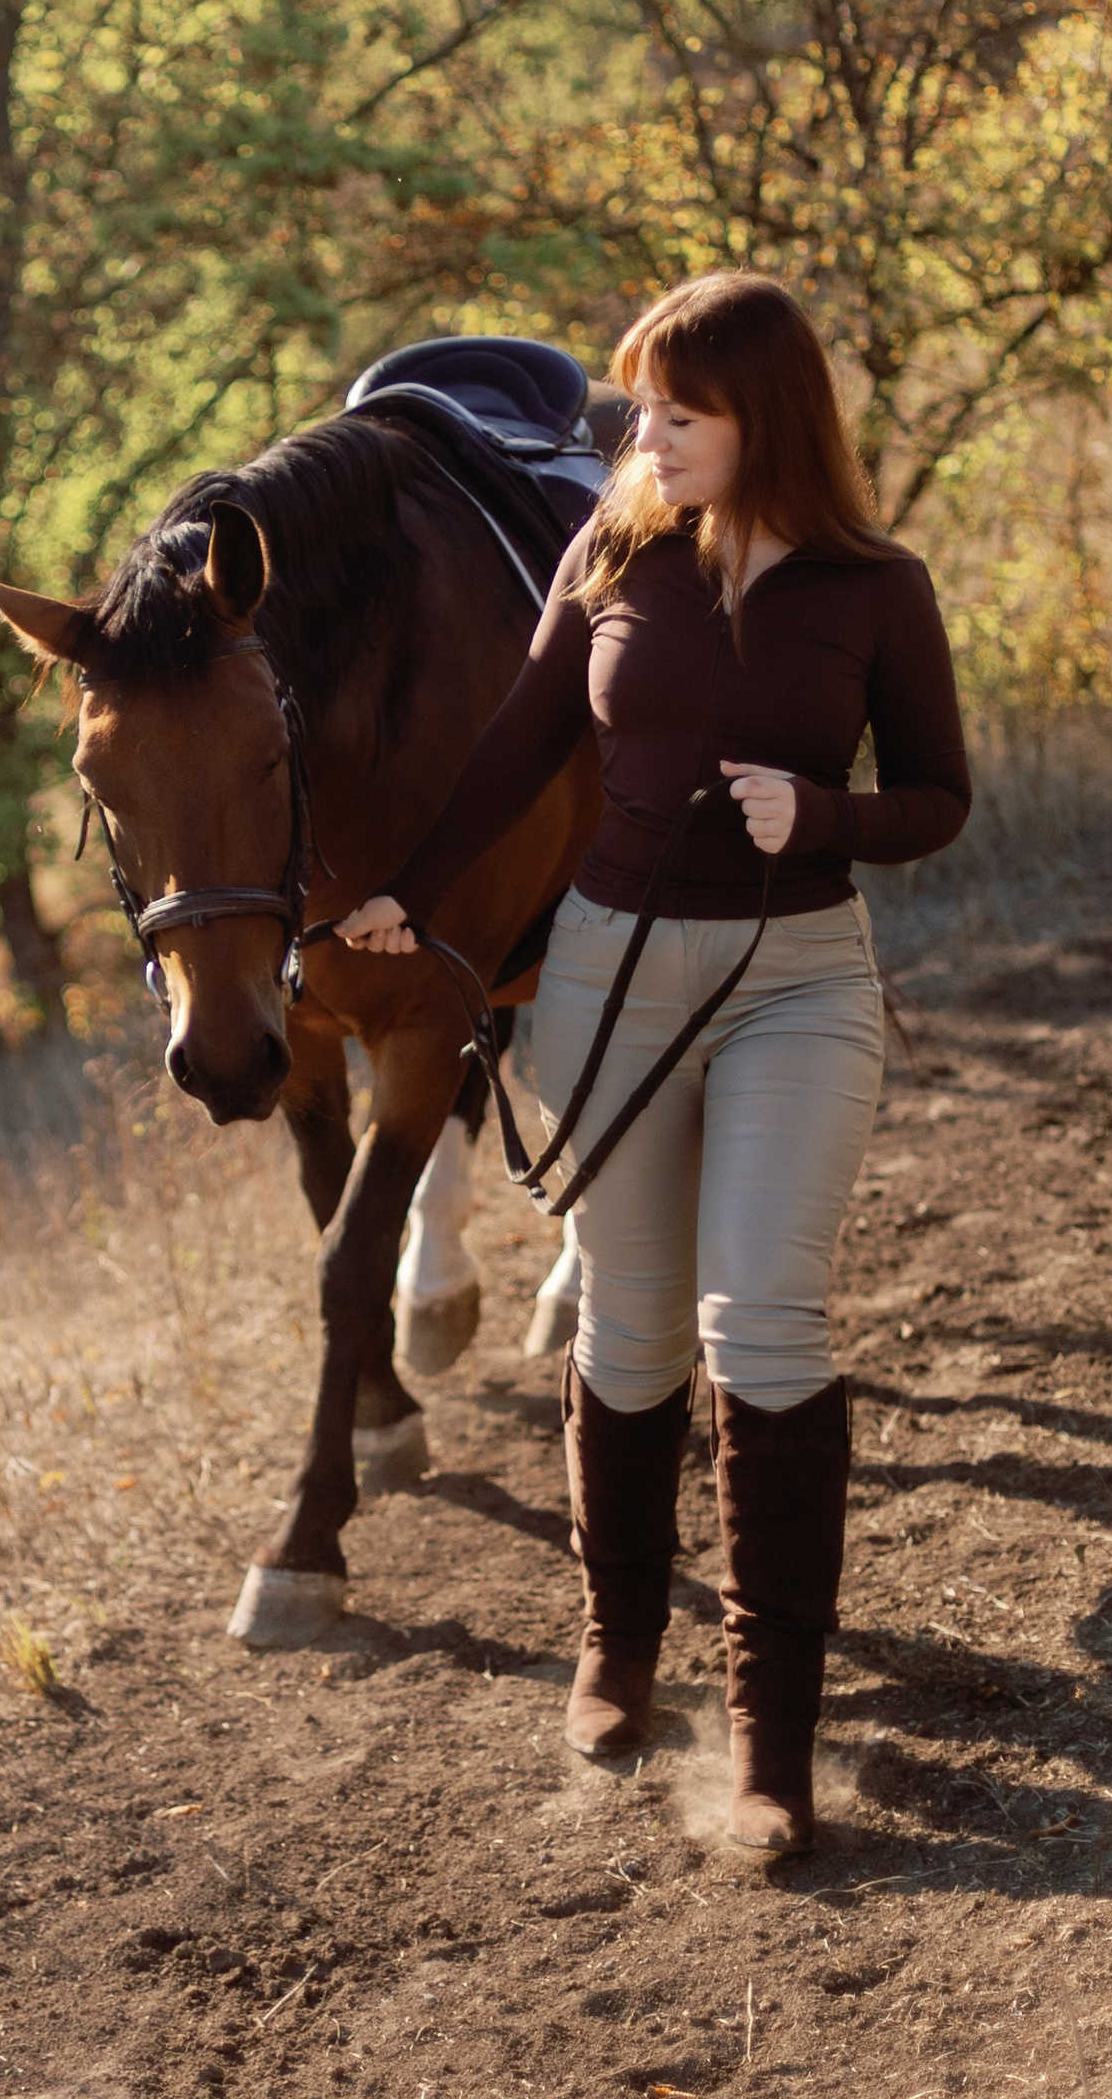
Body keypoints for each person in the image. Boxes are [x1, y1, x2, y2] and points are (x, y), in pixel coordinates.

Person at [337, 273, 970, 1853]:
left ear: (771, 421)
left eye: (679, 412)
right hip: (609, 972)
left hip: (798, 979)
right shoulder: (614, 544)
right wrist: (404, 897)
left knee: (764, 1315)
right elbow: (521, 740)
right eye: (643, 406)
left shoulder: (876, 587)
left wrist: (824, 817)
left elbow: (941, 797)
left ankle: (771, 1748)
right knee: (627, 1325)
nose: (645, 433)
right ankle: (617, 1647)